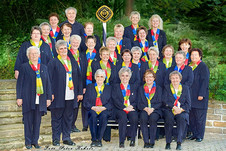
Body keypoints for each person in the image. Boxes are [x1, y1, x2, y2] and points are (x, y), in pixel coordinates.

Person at [47, 40, 83, 146]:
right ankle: (56, 139)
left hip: (71, 95)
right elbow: (48, 80)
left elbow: (79, 78)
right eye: (61, 49)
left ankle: (67, 138)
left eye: (65, 48)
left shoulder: (73, 61)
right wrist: (50, 94)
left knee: (68, 118)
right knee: (56, 118)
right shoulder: (53, 62)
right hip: (58, 95)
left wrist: (79, 92)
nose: (63, 50)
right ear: (57, 51)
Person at [16, 46, 52, 149]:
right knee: (27, 121)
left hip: (40, 99)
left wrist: (48, 98)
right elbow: (20, 84)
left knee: (37, 122)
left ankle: (35, 141)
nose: (34, 55)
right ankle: (28, 142)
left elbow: (48, 84)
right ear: (28, 56)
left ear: (39, 55)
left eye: (36, 53)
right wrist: (19, 97)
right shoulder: (24, 67)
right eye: (31, 54)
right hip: (28, 99)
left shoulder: (44, 67)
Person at [84, 69, 112, 147]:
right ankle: (94, 139)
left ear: (104, 78)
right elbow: (85, 101)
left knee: (104, 116)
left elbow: (111, 102)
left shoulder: (109, 88)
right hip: (93, 109)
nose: (100, 78)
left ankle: (99, 139)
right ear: (95, 77)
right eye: (98, 76)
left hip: (104, 109)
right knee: (92, 116)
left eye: (101, 77)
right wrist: (92, 107)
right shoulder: (89, 87)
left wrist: (103, 108)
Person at [163, 71, 191, 150]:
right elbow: (164, 100)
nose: (175, 80)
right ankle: (168, 142)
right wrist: (173, 107)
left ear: (180, 79)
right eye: (172, 78)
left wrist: (180, 110)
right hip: (169, 109)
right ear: (170, 79)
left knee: (182, 119)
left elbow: (188, 104)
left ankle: (179, 142)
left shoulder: (185, 88)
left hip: (181, 110)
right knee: (169, 119)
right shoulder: (167, 87)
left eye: (176, 78)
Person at [112, 68, 138, 148]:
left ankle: (133, 139)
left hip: (131, 108)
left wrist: (131, 106)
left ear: (129, 77)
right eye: (122, 76)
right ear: (120, 77)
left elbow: (137, 99)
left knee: (134, 117)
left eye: (127, 76)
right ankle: (121, 141)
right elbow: (115, 100)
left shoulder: (134, 87)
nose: (125, 78)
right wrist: (124, 107)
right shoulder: (115, 87)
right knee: (122, 118)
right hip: (120, 109)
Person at [188, 48, 210, 142]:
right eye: (192, 55)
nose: (193, 57)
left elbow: (205, 82)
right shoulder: (189, 66)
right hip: (190, 96)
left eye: (195, 55)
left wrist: (201, 94)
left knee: (200, 117)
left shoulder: (203, 66)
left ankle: (200, 135)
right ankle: (194, 134)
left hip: (199, 96)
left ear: (200, 56)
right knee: (192, 117)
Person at [138, 69, 162, 148]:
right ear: (144, 78)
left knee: (153, 119)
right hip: (144, 109)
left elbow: (160, 102)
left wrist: (152, 108)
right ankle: (146, 141)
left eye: (151, 77)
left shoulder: (159, 88)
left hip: (155, 110)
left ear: (154, 78)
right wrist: (145, 108)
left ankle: (152, 141)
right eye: (147, 77)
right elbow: (138, 102)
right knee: (143, 118)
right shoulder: (140, 88)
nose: (149, 79)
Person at [68, 35, 86, 133]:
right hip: (70, 83)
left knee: (77, 105)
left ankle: (72, 125)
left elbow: (85, 71)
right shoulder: (67, 54)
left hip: (80, 84)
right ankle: (68, 125)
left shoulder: (82, 55)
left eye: (77, 43)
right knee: (70, 105)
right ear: (70, 43)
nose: (75, 44)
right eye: (73, 42)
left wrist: (83, 86)